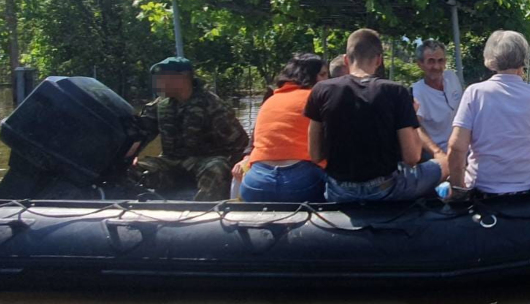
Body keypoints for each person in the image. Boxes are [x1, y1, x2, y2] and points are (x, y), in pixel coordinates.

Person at [305, 29, 448, 202]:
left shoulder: (321, 90)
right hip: (387, 188)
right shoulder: (396, 91)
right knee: (446, 163)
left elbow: (315, 154)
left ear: (346, 59)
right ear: (379, 60)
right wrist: (413, 117)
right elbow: (412, 157)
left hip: (340, 189)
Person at [448, 30, 530, 196]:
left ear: (491, 58)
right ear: (523, 59)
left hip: (485, 187)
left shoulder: (475, 92)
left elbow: (456, 148)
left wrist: (457, 190)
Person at [134, 56, 250, 201]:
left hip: (204, 162)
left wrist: (240, 167)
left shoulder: (212, 104)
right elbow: (141, 132)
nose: (158, 83)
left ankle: (204, 212)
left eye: (163, 78)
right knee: (133, 169)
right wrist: (132, 155)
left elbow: (240, 144)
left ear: (183, 78)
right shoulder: (160, 105)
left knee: (216, 167)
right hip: (171, 162)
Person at [233, 53, 329, 203]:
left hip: (255, 184)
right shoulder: (318, 99)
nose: (327, 80)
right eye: (323, 75)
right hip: (301, 184)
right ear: (310, 76)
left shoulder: (270, 101)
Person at [410, 40, 463, 152]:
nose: (436, 66)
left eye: (440, 61)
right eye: (431, 61)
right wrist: (437, 153)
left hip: (462, 146)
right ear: (420, 64)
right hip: (439, 151)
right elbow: (415, 127)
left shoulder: (452, 77)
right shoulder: (417, 91)